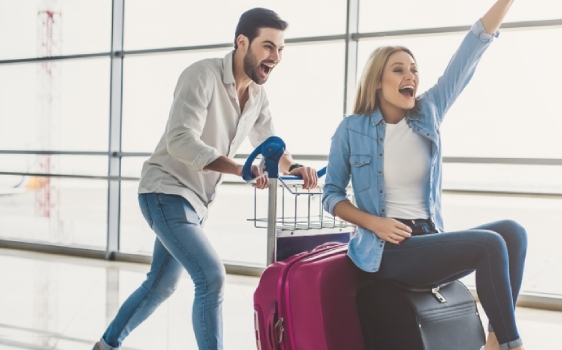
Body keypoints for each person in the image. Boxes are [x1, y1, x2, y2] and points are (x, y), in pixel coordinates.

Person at [94, 8, 317, 350]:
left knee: (160, 285)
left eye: (281, 49)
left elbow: (270, 144)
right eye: (268, 47)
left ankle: (106, 345)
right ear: (242, 42)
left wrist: (295, 167)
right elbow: (181, 140)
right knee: (211, 278)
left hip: (195, 203)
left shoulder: (257, 96)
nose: (276, 57)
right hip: (164, 190)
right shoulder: (201, 75)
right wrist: (241, 169)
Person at [322, 1, 526, 349]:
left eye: (413, 70)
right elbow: (331, 194)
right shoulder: (352, 129)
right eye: (399, 70)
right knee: (489, 245)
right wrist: (374, 222)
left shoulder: (428, 111)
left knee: (511, 233)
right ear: (378, 81)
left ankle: (495, 340)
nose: (410, 77)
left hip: (427, 237)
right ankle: (513, 345)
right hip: (386, 249)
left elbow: (470, 51)